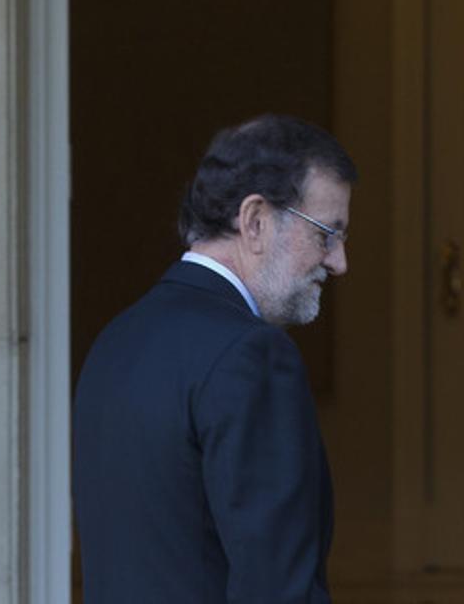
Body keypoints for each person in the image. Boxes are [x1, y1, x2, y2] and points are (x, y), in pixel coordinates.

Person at [73, 114, 355, 603]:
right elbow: (278, 589)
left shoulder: (116, 341)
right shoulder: (253, 356)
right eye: (326, 234)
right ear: (255, 221)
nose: (338, 261)